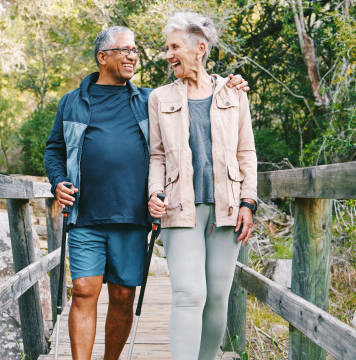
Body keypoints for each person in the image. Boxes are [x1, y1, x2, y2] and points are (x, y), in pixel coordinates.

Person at [44, 25, 249, 360]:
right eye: (124, 50)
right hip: (85, 215)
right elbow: (54, 150)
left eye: (135, 50)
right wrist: (56, 181)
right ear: (103, 57)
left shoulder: (150, 100)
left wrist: (229, 82)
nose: (133, 56)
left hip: (133, 216)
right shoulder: (72, 103)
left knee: (123, 295)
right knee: (83, 290)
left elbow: (196, 96)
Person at [147, 12, 257, 360]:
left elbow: (247, 153)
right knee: (188, 294)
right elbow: (157, 156)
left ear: (200, 48)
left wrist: (248, 202)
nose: (168, 55)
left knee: (217, 296)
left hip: (227, 208)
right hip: (180, 207)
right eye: (167, 48)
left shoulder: (235, 94)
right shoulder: (159, 98)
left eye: (174, 47)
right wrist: (154, 192)